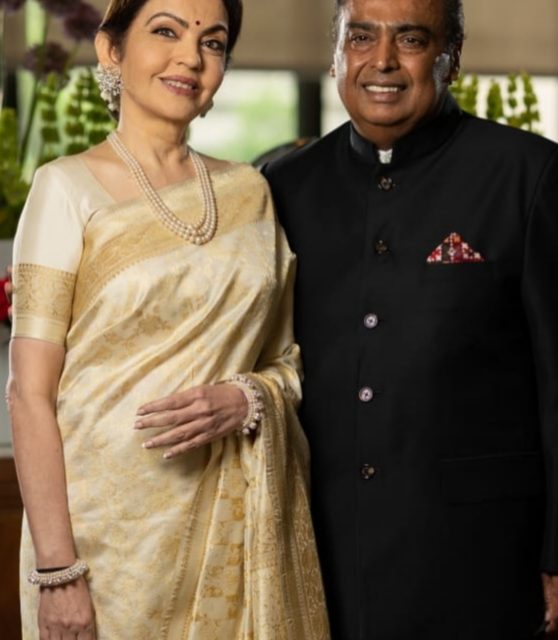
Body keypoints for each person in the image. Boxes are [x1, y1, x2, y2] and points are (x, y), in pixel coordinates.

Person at [260, 0, 558, 638]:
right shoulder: (284, 186)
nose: (382, 61)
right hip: (319, 540)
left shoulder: (528, 175)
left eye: (411, 38)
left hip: (479, 550)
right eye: (360, 37)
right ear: (336, 55)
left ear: (452, 57)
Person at [7, 0, 329, 638]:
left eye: (213, 43)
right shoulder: (65, 188)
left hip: (232, 526)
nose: (191, 56)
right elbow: (30, 393)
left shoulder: (250, 193)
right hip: (103, 544)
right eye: (166, 32)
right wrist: (57, 570)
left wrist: (246, 399)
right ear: (111, 50)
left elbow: (289, 361)